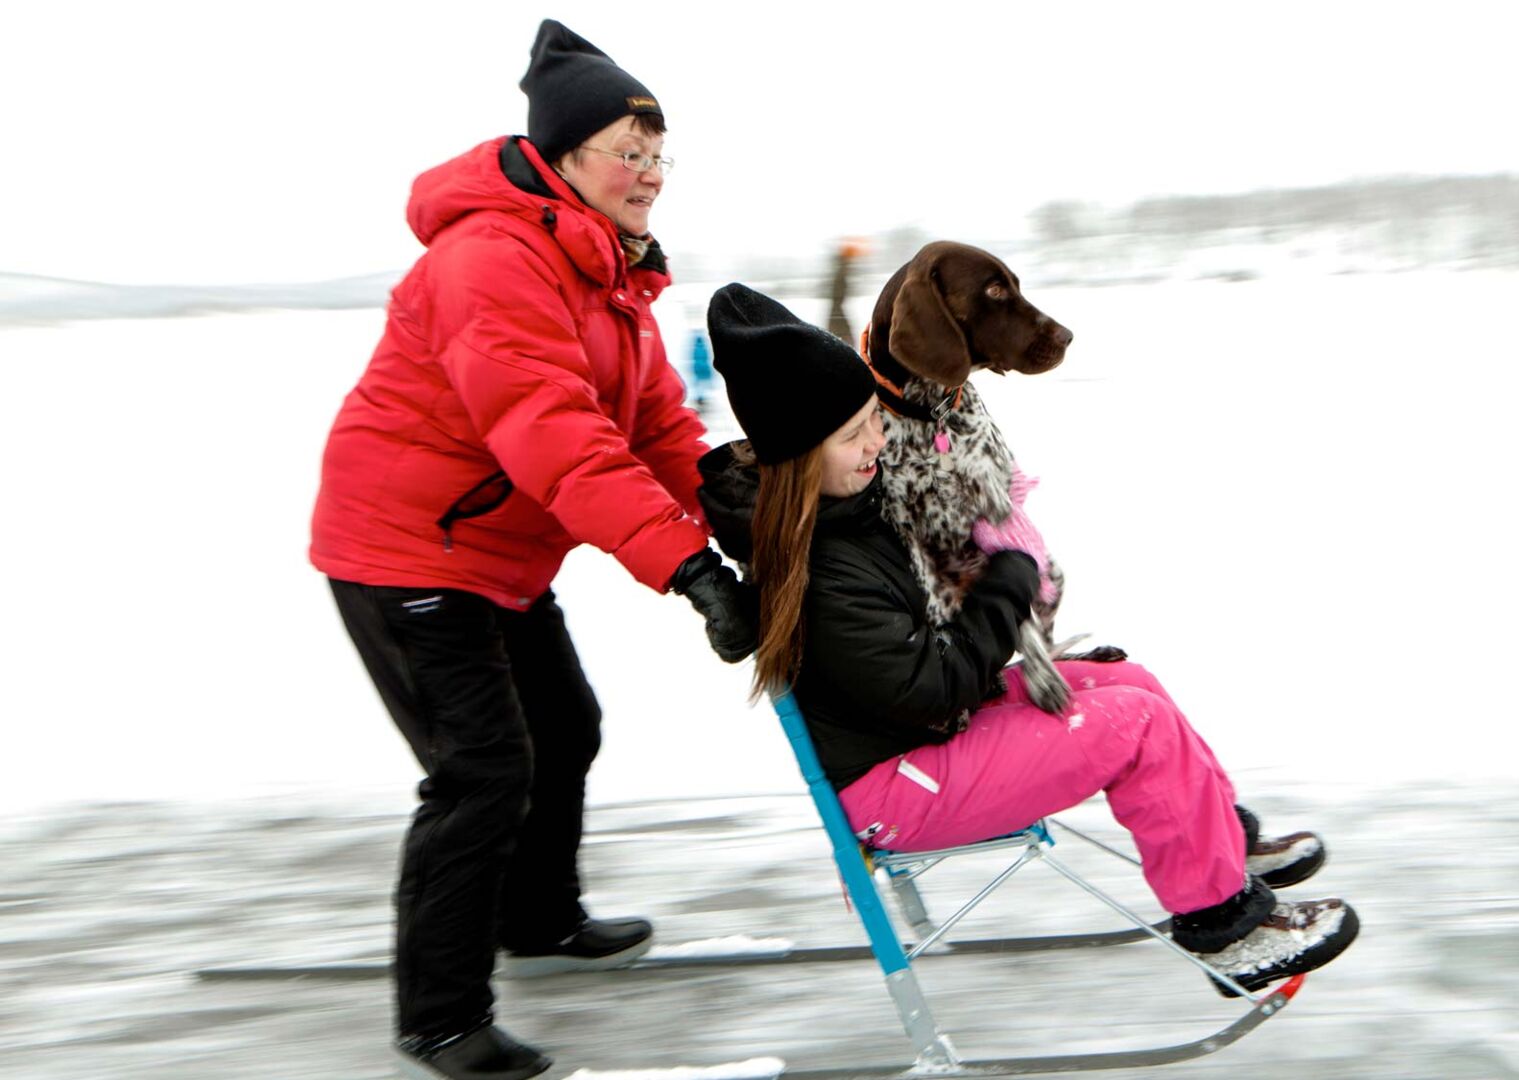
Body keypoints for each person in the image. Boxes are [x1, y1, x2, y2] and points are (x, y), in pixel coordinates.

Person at [694, 284, 1360, 999]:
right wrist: (1004, 588)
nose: (878, 443)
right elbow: (928, 686)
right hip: (897, 784)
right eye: (855, 434)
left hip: (920, 737)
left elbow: (920, 653)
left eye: (873, 423)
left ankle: (1221, 841)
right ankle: (1223, 925)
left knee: (1129, 683)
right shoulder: (823, 563)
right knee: (1134, 727)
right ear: (799, 453)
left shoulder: (845, 510)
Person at [309, 21, 754, 1080]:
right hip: (404, 548)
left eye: (658, 155)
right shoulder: (491, 260)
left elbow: (650, 427)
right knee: (480, 774)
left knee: (565, 726)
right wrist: (685, 568)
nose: (648, 175)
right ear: (562, 158)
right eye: (626, 152)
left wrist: (730, 505)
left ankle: (541, 919)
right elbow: (553, 431)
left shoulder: (611, 270)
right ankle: (444, 1018)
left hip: (495, 550)